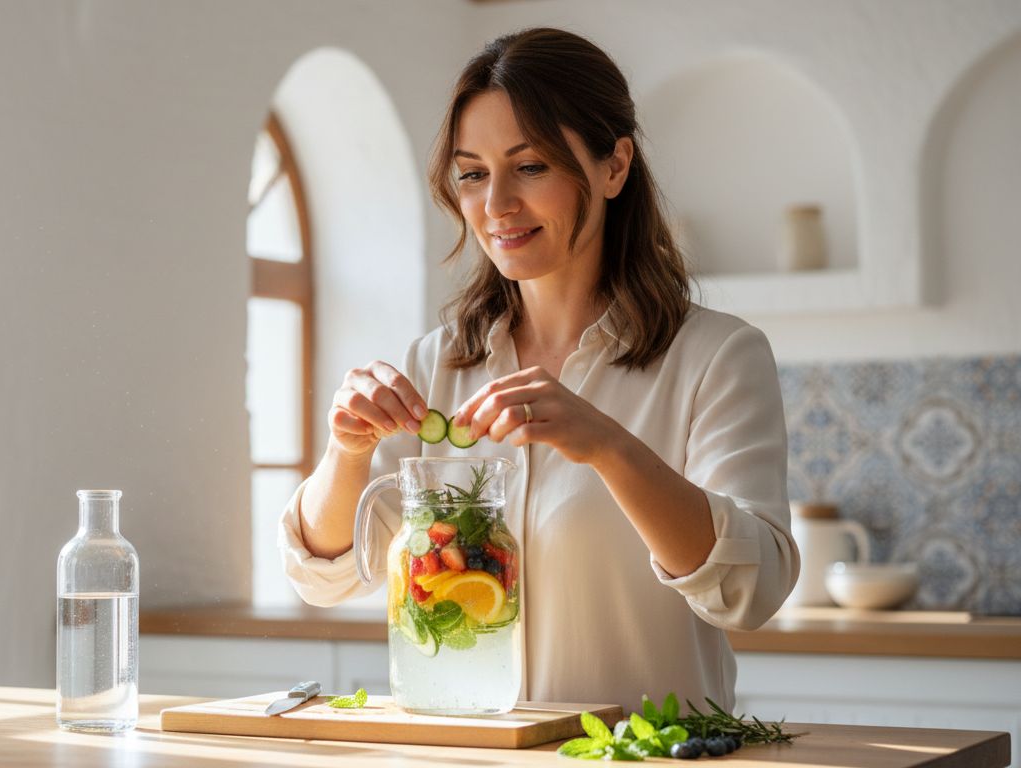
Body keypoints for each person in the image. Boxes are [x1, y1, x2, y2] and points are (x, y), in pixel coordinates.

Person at [277, 27, 799, 714]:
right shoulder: (434, 365)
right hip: (463, 758)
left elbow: (750, 590)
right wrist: (346, 453)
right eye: (472, 173)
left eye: (530, 167)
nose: (496, 205)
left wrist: (609, 446)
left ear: (614, 167)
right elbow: (323, 576)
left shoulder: (717, 357)